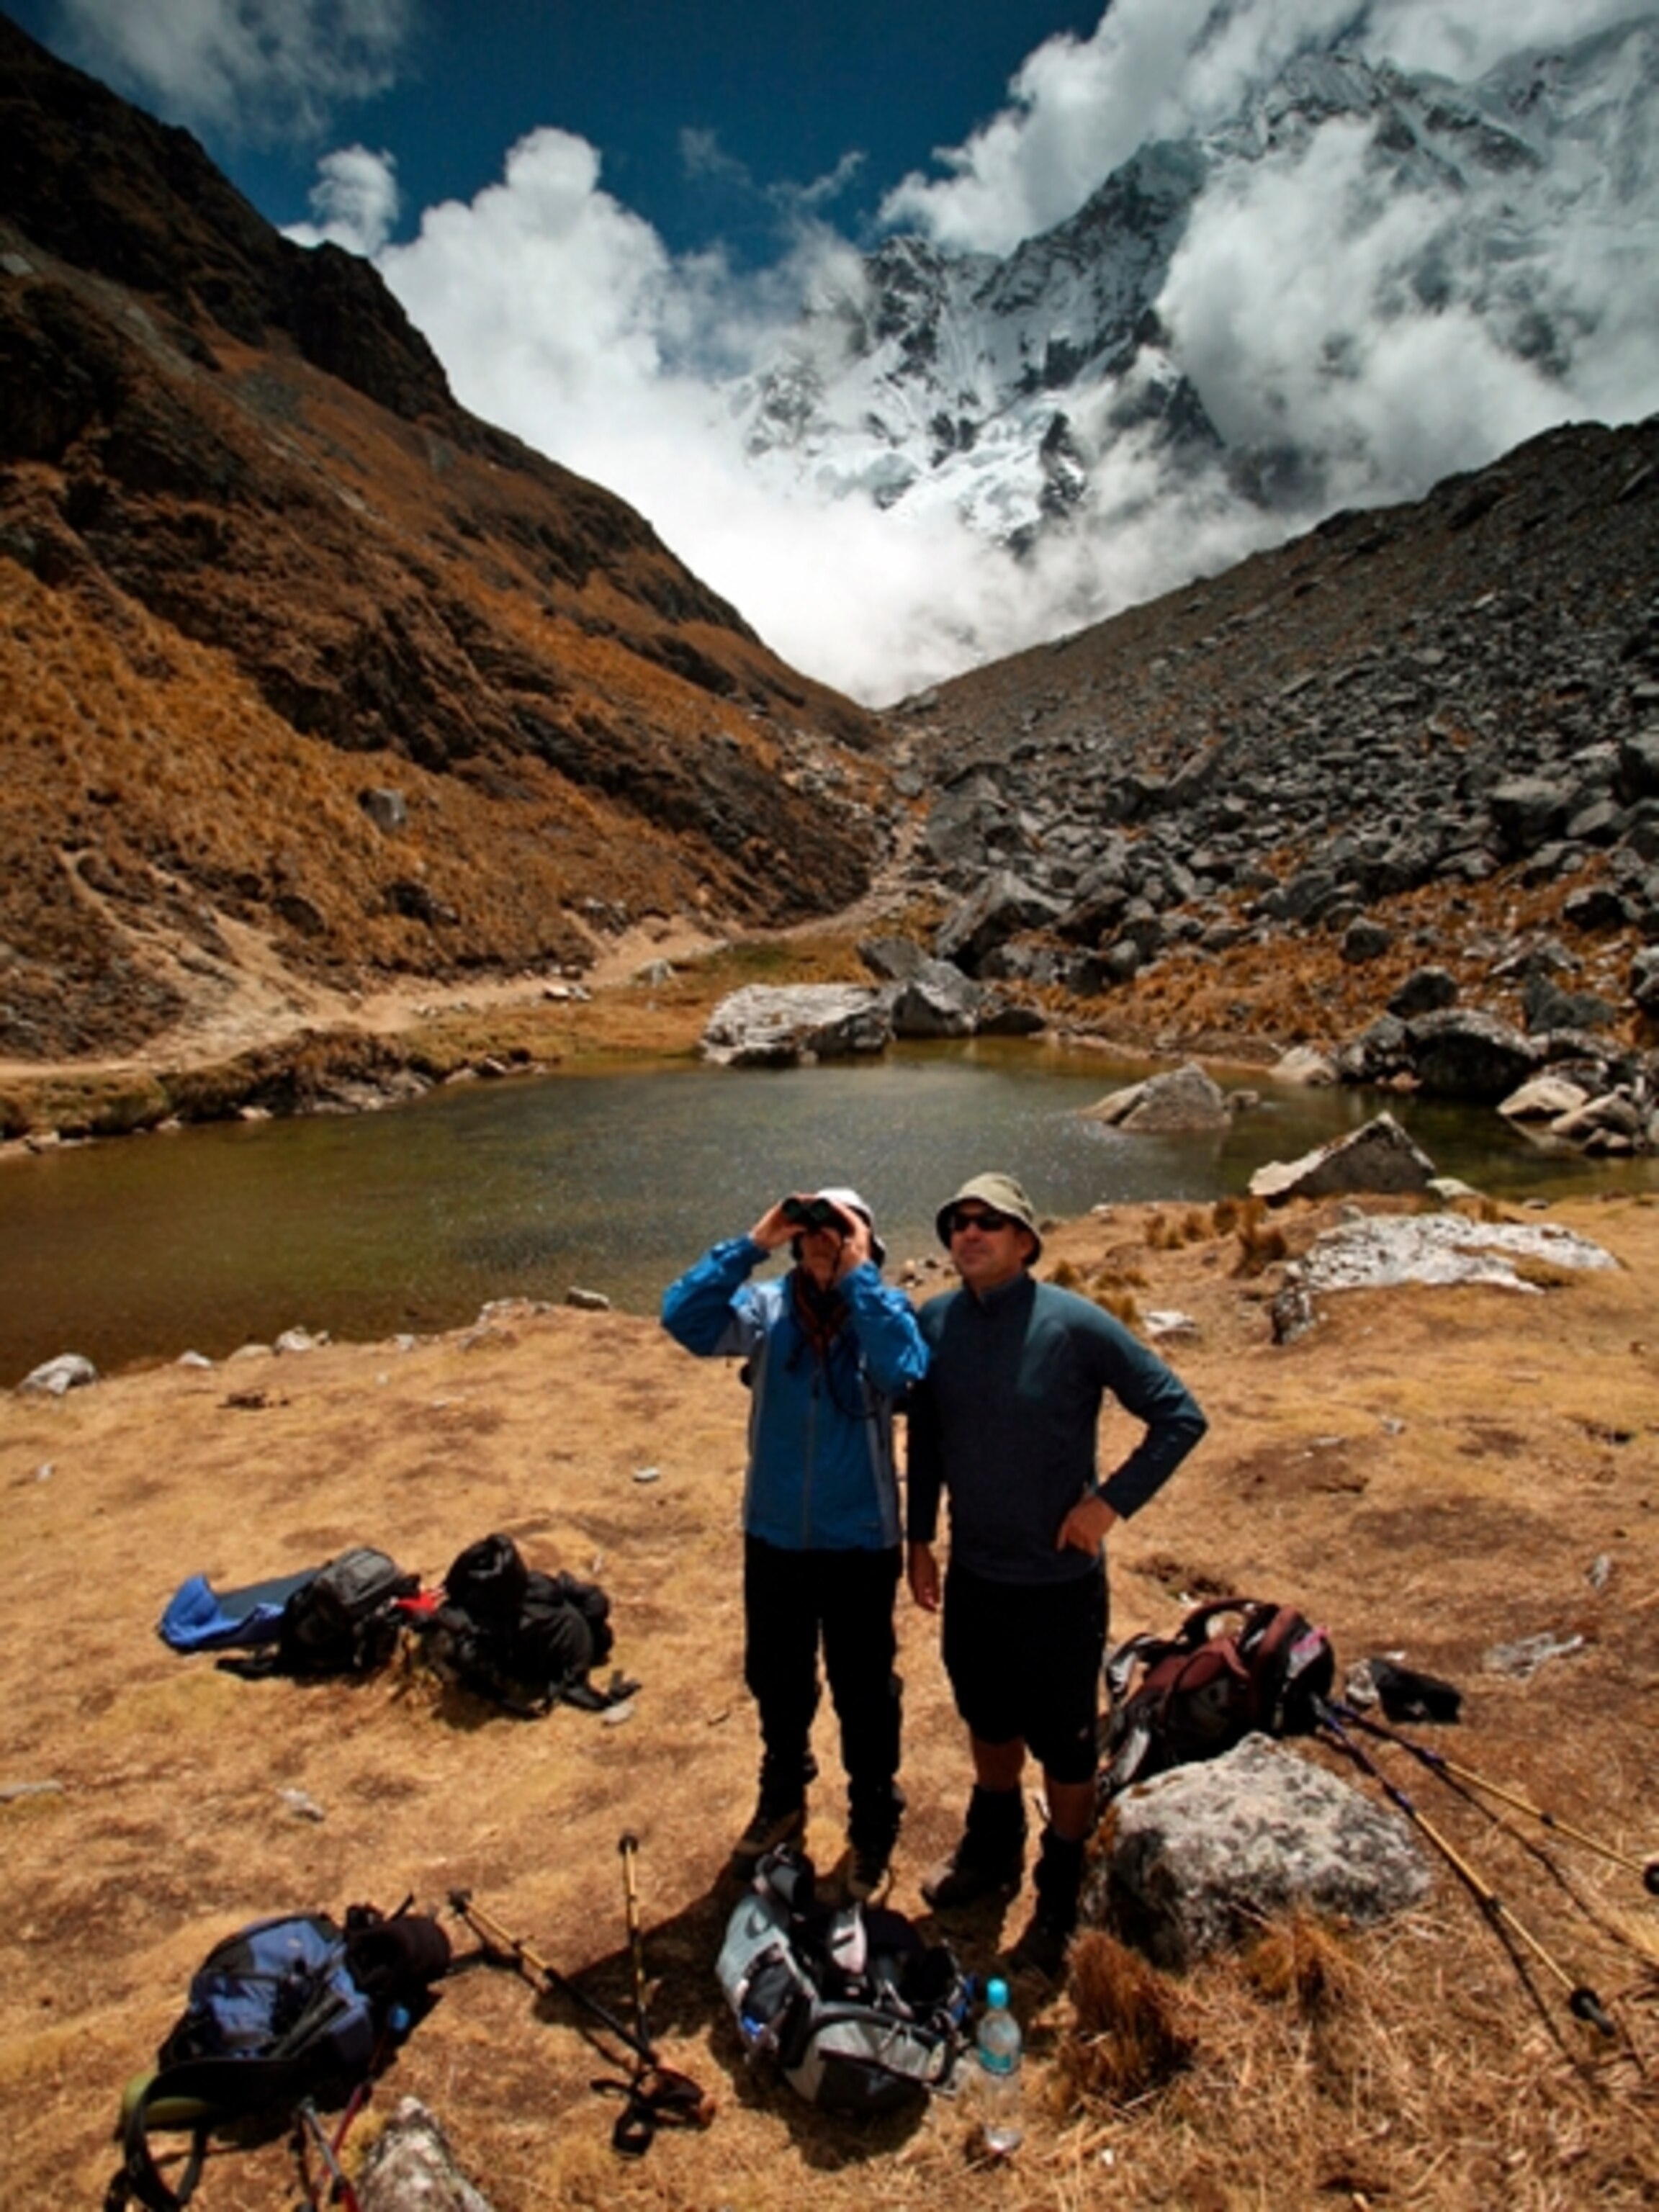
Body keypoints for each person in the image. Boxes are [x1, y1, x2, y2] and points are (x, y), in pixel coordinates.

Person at [906, 1172, 1207, 1977]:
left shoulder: (1076, 1326)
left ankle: (1059, 1886)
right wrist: (919, 1539)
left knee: (1068, 1746)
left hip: (1061, 1589)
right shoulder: (933, 1323)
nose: (969, 1234)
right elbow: (928, 1439)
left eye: (989, 1223)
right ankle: (992, 1849)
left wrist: (1107, 1507)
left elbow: (1179, 1415)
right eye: (958, 1222)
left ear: (1026, 1241)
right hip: (976, 1576)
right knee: (987, 1717)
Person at [661, 1186, 927, 1899]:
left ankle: (874, 1818)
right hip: (775, 1534)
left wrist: (859, 1276)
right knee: (775, 1676)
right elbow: (681, 1319)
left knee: (864, 1688)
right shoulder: (767, 1312)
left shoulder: (885, 1309)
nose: (819, 1240)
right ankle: (783, 1794)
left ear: (866, 1242)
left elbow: (906, 1373)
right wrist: (753, 1242)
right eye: (810, 1230)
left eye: (837, 1230)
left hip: (861, 1539)